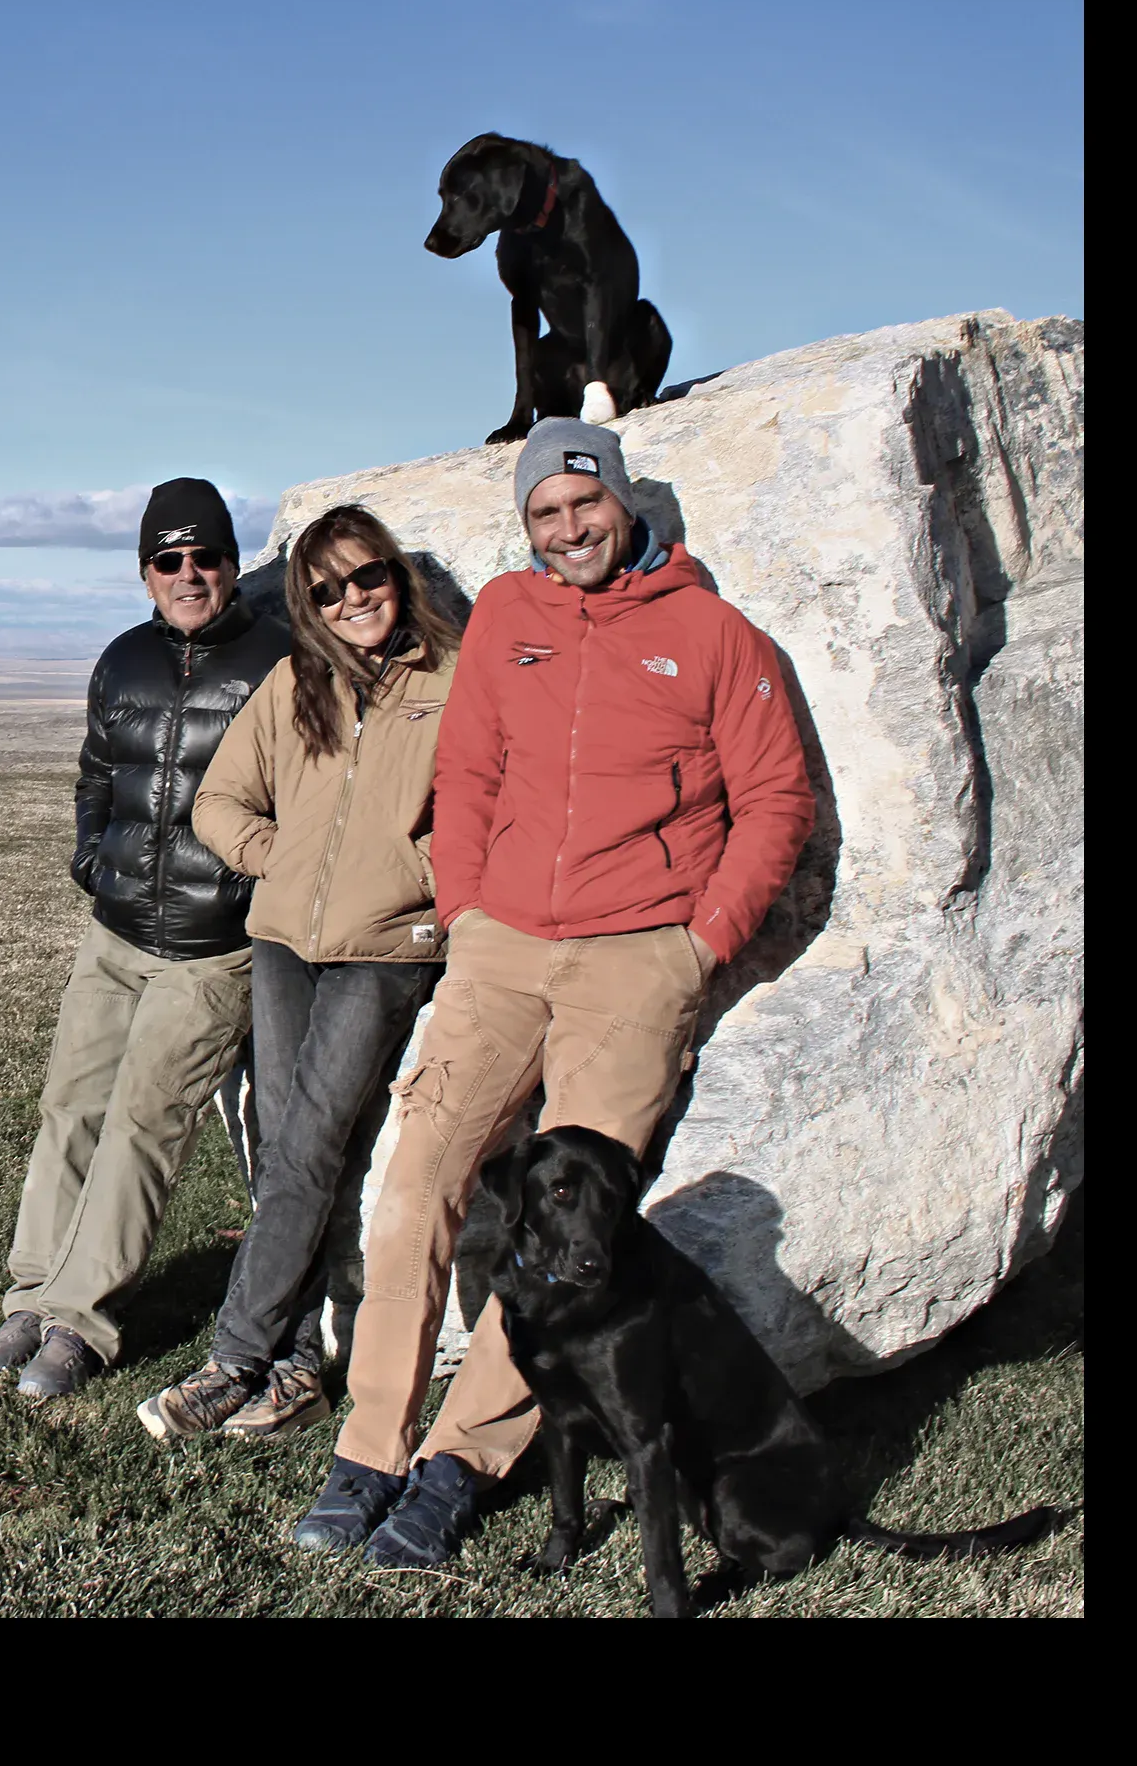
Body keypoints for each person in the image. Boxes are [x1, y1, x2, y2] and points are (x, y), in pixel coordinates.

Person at [285, 418, 814, 1565]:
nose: (569, 528)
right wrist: (468, 913)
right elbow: (469, 770)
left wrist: (700, 945)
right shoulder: (509, 620)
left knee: (578, 1226)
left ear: (622, 503)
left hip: (639, 960)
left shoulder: (714, 634)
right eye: (545, 512)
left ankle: (457, 1466)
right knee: (416, 1180)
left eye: (585, 503)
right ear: (526, 525)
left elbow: (777, 799)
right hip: (502, 950)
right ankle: (369, 1451)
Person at [135, 505, 462, 1445]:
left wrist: (414, 877)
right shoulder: (295, 682)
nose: (351, 599)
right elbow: (219, 800)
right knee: (292, 1147)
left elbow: (486, 810)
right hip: (285, 941)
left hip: (384, 949)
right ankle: (296, 1371)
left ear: (396, 575)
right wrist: (278, 861)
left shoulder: (454, 679)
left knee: (310, 1143)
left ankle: (236, 1357)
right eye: (326, 590)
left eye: (367, 576)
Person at [0, 479, 290, 1399]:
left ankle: (81, 1321)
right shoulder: (123, 660)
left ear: (233, 563)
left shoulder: (279, 662)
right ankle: (32, 1296)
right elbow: (97, 774)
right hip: (114, 933)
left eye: (205, 557)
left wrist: (248, 889)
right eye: (167, 560)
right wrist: (90, 858)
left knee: (145, 1125)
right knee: (70, 1107)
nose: (188, 575)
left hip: (213, 947)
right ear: (144, 572)